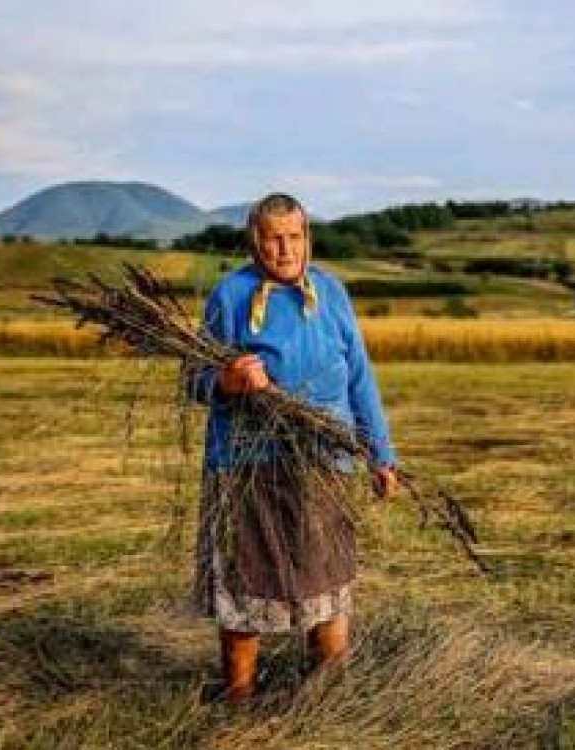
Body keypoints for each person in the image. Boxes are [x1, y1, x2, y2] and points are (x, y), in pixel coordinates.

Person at [187, 192, 399, 704]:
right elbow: (192, 379)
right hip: (247, 463)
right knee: (244, 583)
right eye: (272, 238)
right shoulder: (230, 296)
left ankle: (325, 698)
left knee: (326, 580)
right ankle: (238, 698)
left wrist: (381, 454)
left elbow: (360, 379)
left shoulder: (332, 292)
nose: (285, 249)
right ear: (254, 242)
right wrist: (226, 381)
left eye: (294, 236)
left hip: (327, 461)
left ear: (308, 238)